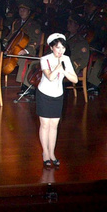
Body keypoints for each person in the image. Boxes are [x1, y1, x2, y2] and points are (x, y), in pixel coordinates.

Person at [37, 33, 77, 167]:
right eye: (58, 48)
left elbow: (75, 79)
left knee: (54, 126)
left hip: (58, 95)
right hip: (44, 94)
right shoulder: (45, 59)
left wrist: (64, 71)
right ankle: (45, 153)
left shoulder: (66, 59)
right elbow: (50, 77)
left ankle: (52, 153)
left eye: (63, 48)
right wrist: (58, 68)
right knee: (45, 125)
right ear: (51, 47)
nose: (61, 51)